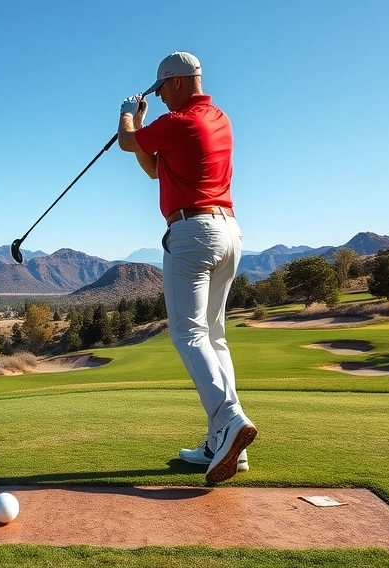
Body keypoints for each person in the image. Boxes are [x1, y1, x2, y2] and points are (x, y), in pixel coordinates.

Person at [116, 51, 256, 483]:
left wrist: (128, 116)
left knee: (188, 333)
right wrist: (143, 133)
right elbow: (155, 169)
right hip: (229, 232)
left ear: (175, 82)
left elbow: (126, 142)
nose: (158, 100)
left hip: (192, 233)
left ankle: (229, 419)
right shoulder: (219, 118)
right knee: (214, 336)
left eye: (160, 92)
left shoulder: (177, 123)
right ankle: (222, 443)